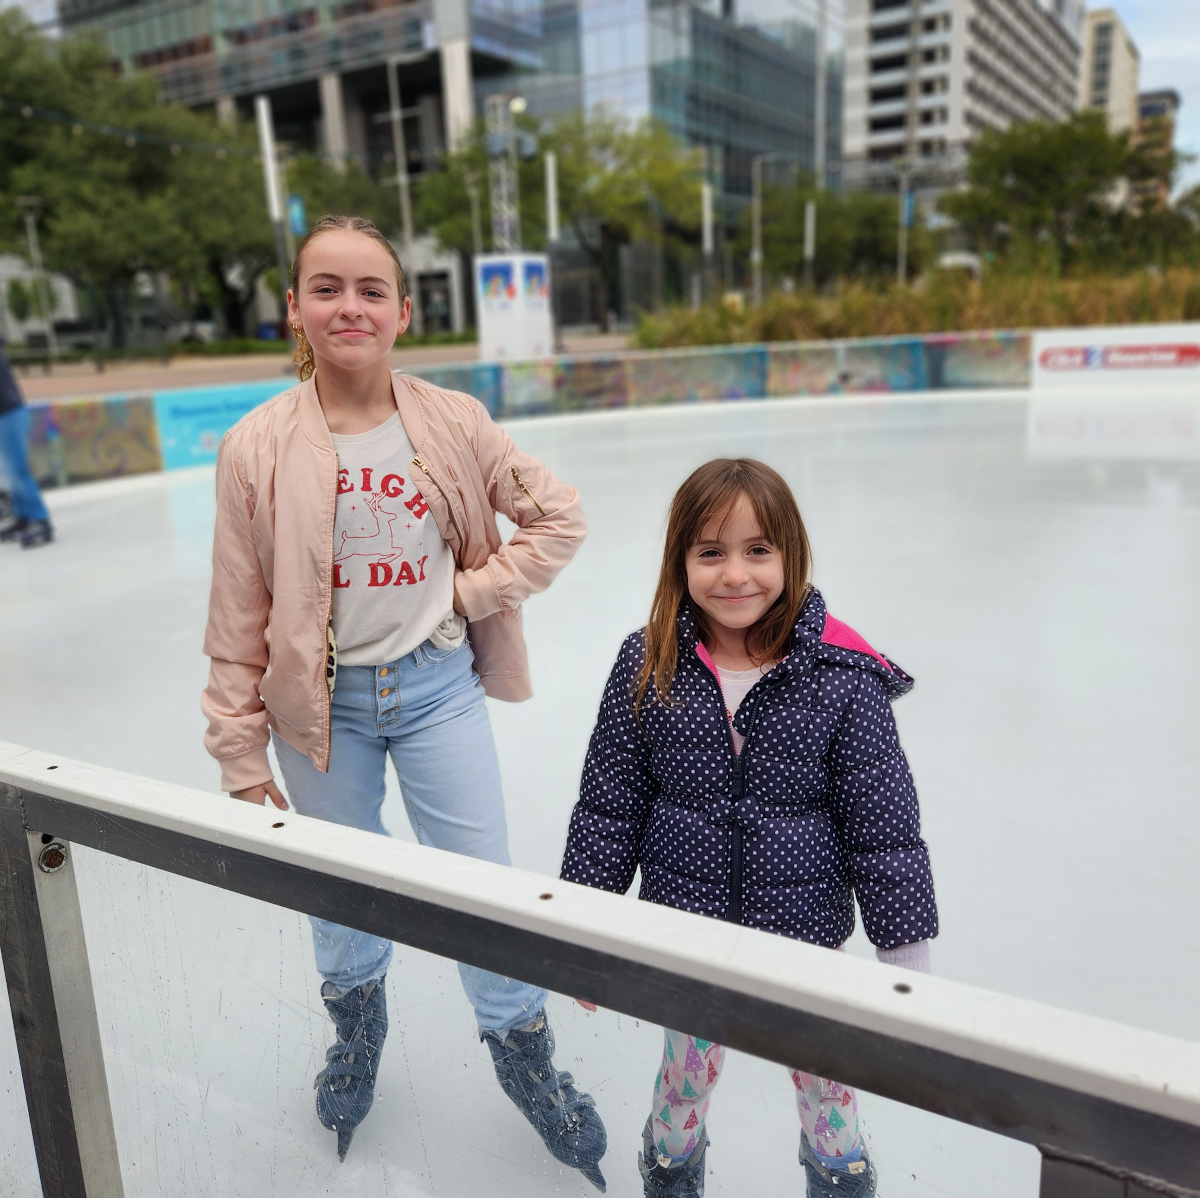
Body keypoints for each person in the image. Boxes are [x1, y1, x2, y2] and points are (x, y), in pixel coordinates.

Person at [201, 214, 607, 1184]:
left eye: (371, 288)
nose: (350, 305)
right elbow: (237, 610)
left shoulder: (453, 421)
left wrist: (464, 597)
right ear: (294, 307)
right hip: (317, 714)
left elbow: (560, 517)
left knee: (484, 887)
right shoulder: (255, 446)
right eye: (327, 287)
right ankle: (358, 1026)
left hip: (436, 693)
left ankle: (523, 1055)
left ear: (404, 310)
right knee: (340, 890)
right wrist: (238, 755)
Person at [561, 458, 938, 1197]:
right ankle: (671, 1171)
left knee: (829, 1086)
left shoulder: (840, 675)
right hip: (688, 936)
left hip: (804, 941)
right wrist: (583, 924)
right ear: (681, 561)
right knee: (684, 1080)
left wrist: (904, 949)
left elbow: (883, 819)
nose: (736, 574)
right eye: (711, 552)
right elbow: (610, 803)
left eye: (758, 550)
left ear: (791, 555)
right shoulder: (649, 662)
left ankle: (838, 1178)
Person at [0, 336, 53, 548]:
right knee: (12, 473)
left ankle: (40, 520)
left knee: (19, 471)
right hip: (6, 414)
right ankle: (23, 517)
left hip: (8, 414)